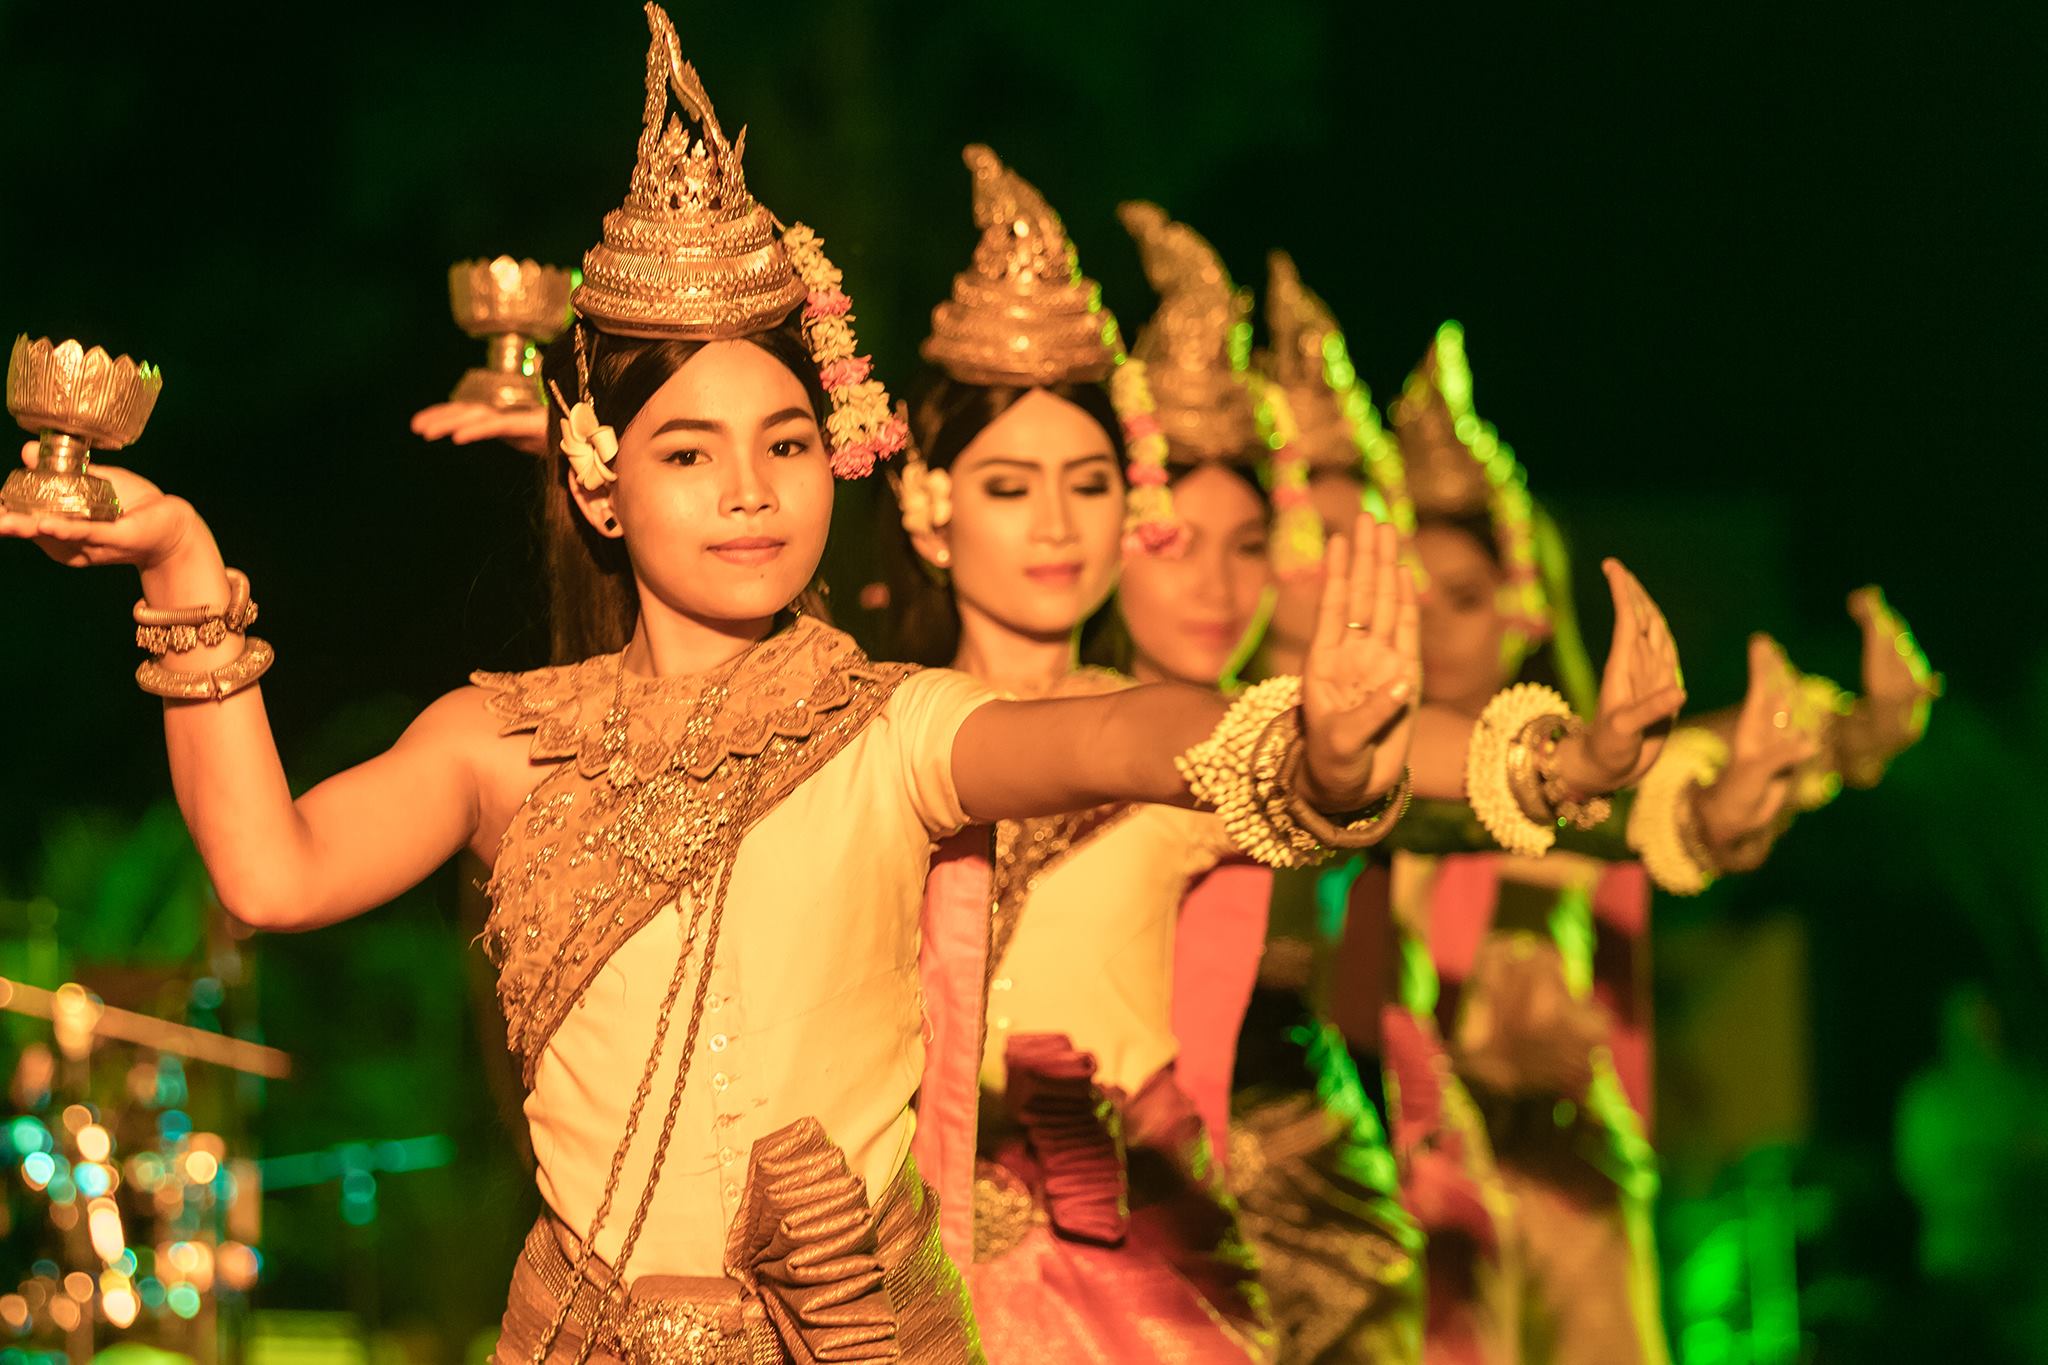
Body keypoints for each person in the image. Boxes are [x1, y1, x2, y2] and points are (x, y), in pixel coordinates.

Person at [1, 12, 1426, 1361]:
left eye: (787, 443)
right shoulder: (502, 741)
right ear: (600, 482)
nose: (751, 490)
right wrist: (184, 572)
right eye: (689, 452)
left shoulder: (890, 729)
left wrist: (1312, 749)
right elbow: (272, 872)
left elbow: (1110, 733)